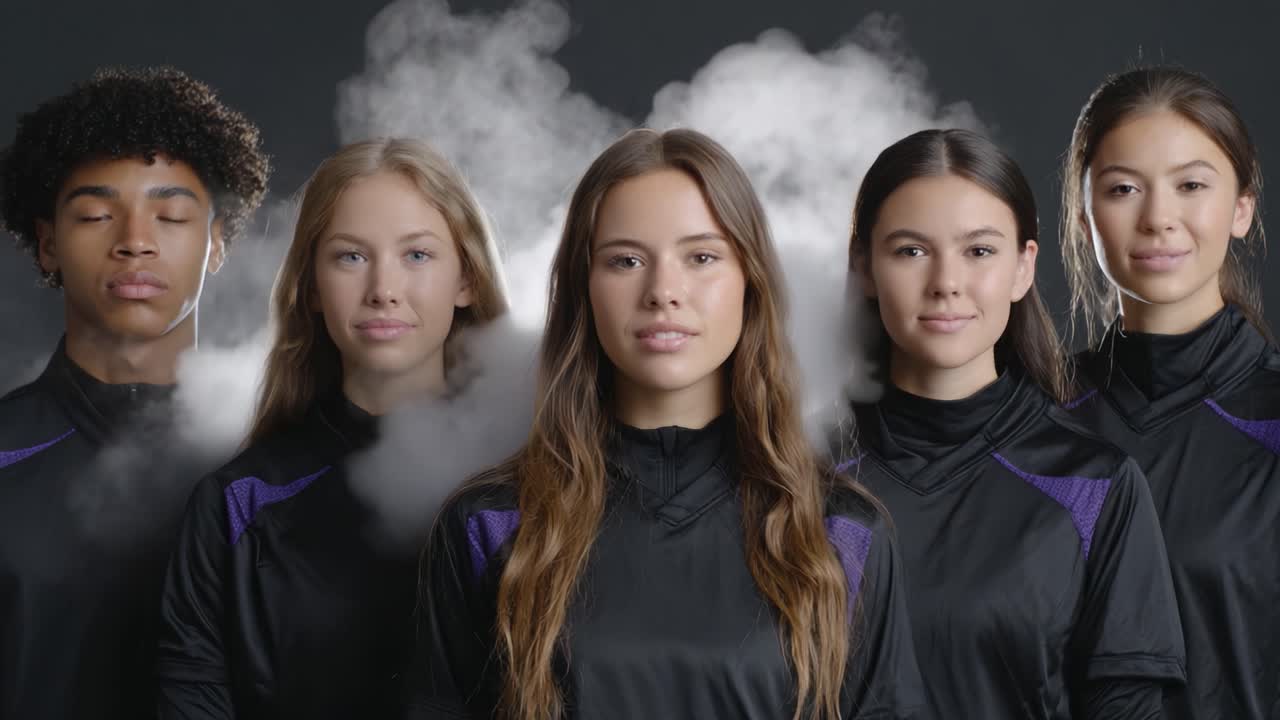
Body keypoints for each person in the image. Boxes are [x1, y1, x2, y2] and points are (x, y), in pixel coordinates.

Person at [405, 128, 924, 720]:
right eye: (625, 260)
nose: (663, 292)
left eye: (701, 257)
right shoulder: (489, 526)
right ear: (584, 288)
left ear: (749, 282)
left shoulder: (842, 534)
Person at [155, 138, 508, 718]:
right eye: (351, 256)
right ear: (312, 287)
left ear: (466, 280)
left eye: (417, 255)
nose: (383, 290)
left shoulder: (537, 491)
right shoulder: (237, 507)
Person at [840, 128, 1185, 718]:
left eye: (979, 251)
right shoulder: (797, 472)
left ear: (1023, 268)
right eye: (911, 251)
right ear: (865, 267)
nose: (946, 283)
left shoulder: (1094, 486)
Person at [0, 66, 269, 719]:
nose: (134, 243)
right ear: (47, 247)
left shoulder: (275, 458)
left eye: (171, 214)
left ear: (217, 244)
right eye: (96, 214)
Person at [1061, 66, 1280, 720]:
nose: (1159, 218)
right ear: (1083, 213)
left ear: (1241, 208)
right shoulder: (1027, 417)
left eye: (1191, 186)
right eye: (1124, 188)